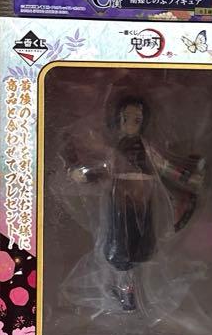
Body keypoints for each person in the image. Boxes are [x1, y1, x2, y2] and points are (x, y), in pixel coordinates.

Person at [68, 95, 203, 313]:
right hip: (120, 201)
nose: (130, 124)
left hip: (142, 200)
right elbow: (104, 167)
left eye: (136, 120)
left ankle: (132, 293)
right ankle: (126, 292)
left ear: (144, 122)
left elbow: (164, 166)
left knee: (140, 247)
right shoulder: (117, 149)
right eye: (125, 119)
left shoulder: (146, 149)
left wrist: (186, 176)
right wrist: (86, 174)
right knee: (120, 248)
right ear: (118, 120)